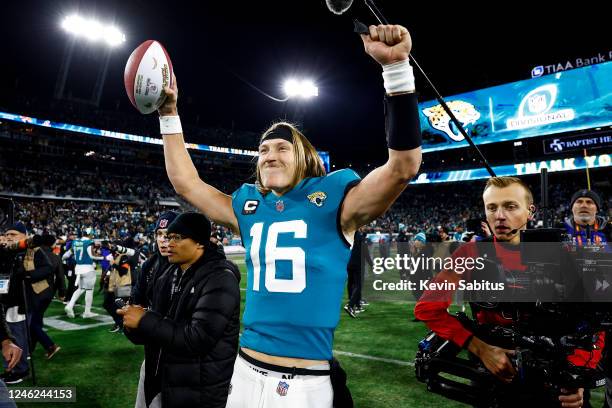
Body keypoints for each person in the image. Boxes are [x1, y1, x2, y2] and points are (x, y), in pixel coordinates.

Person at [159, 23, 421, 407]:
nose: (269, 155)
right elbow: (186, 184)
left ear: (304, 157)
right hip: (245, 370)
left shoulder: (335, 200)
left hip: (305, 380)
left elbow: (403, 166)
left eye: (281, 147)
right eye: (263, 151)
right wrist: (169, 113)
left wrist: (396, 69)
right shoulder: (249, 206)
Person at [414, 177, 601, 408]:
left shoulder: (565, 252)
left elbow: (594, 323)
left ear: (530, 211)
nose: (500, 215)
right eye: (492, 207)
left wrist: (577, 379)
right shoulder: (470, 254)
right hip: (494, 379)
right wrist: (480, 348)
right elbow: (427, 308)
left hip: (557, 384)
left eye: (510, 206)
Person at [119, 212, 241, 408]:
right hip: (163, 381)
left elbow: (197, 338)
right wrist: (132, 325)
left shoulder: (220, 278)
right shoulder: (168, 274)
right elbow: (157, 331)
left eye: (177, 237)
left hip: (198, 390)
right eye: (167, 237)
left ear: (199, 242)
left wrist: (144, 320)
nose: (169, 243)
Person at [130, 211, 178, 408]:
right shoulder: (150, 265)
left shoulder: (191, 268)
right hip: (151, 356)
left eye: (169, 235)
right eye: (159, 234)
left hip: (180, 363)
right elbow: (136, 303)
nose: (163, 240)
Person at [63, 228, 102, 318]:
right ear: (89, 234)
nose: (92, 235)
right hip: (88, 268)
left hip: (78, 269)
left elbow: (67, 254)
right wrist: (103, 258)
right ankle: (87, 312)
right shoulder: (89, 242)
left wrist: (62, 260)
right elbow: (92, 255)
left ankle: (69, 305)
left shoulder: (75, 242)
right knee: (89, 290)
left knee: (80, 288)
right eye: (92, 234)